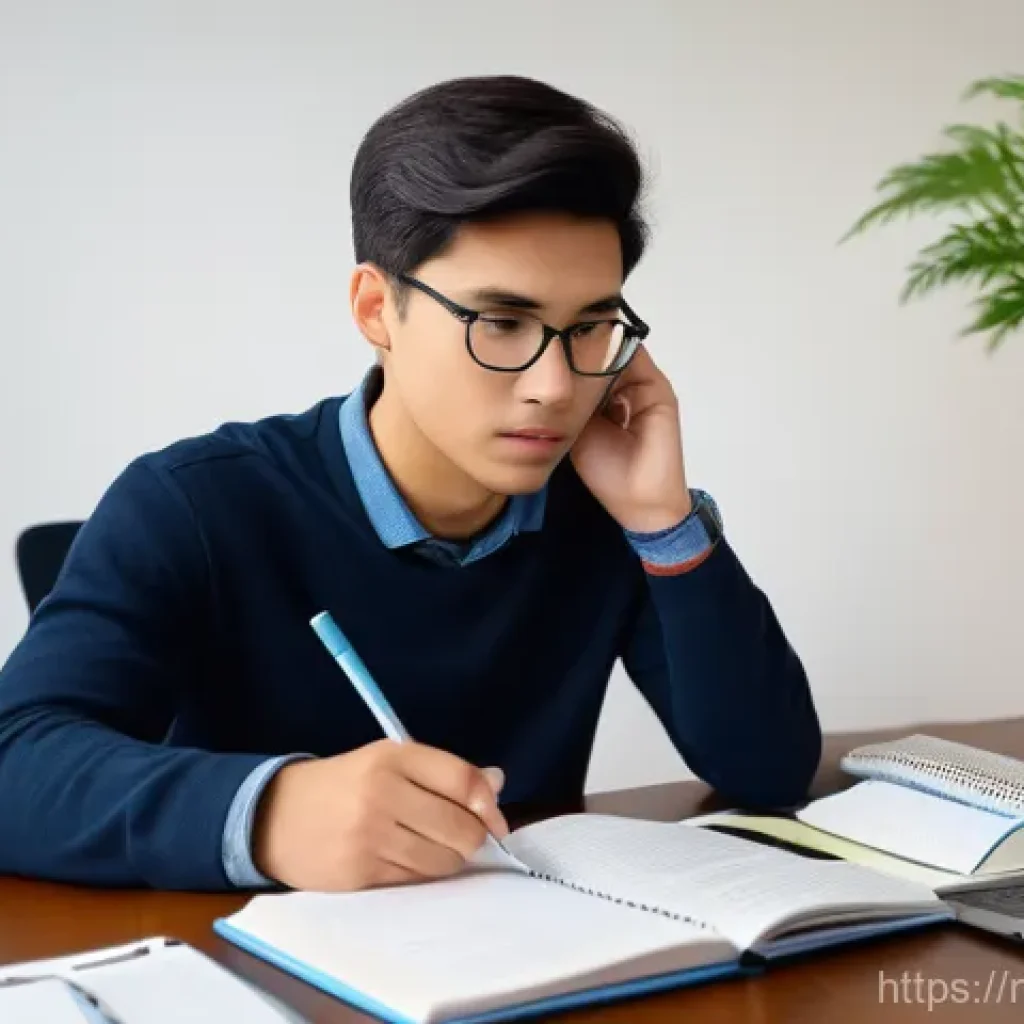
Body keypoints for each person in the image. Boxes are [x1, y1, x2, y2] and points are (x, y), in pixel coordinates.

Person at [0, 75, 821, 893]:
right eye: (502, 323)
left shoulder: (603, 512)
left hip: (531, 944)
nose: (555, 386)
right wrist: (269, 812)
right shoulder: (194, 504)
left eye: (590, 328)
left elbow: (769, 769)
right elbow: (15, 761)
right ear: (374, 308)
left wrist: (662, 522)